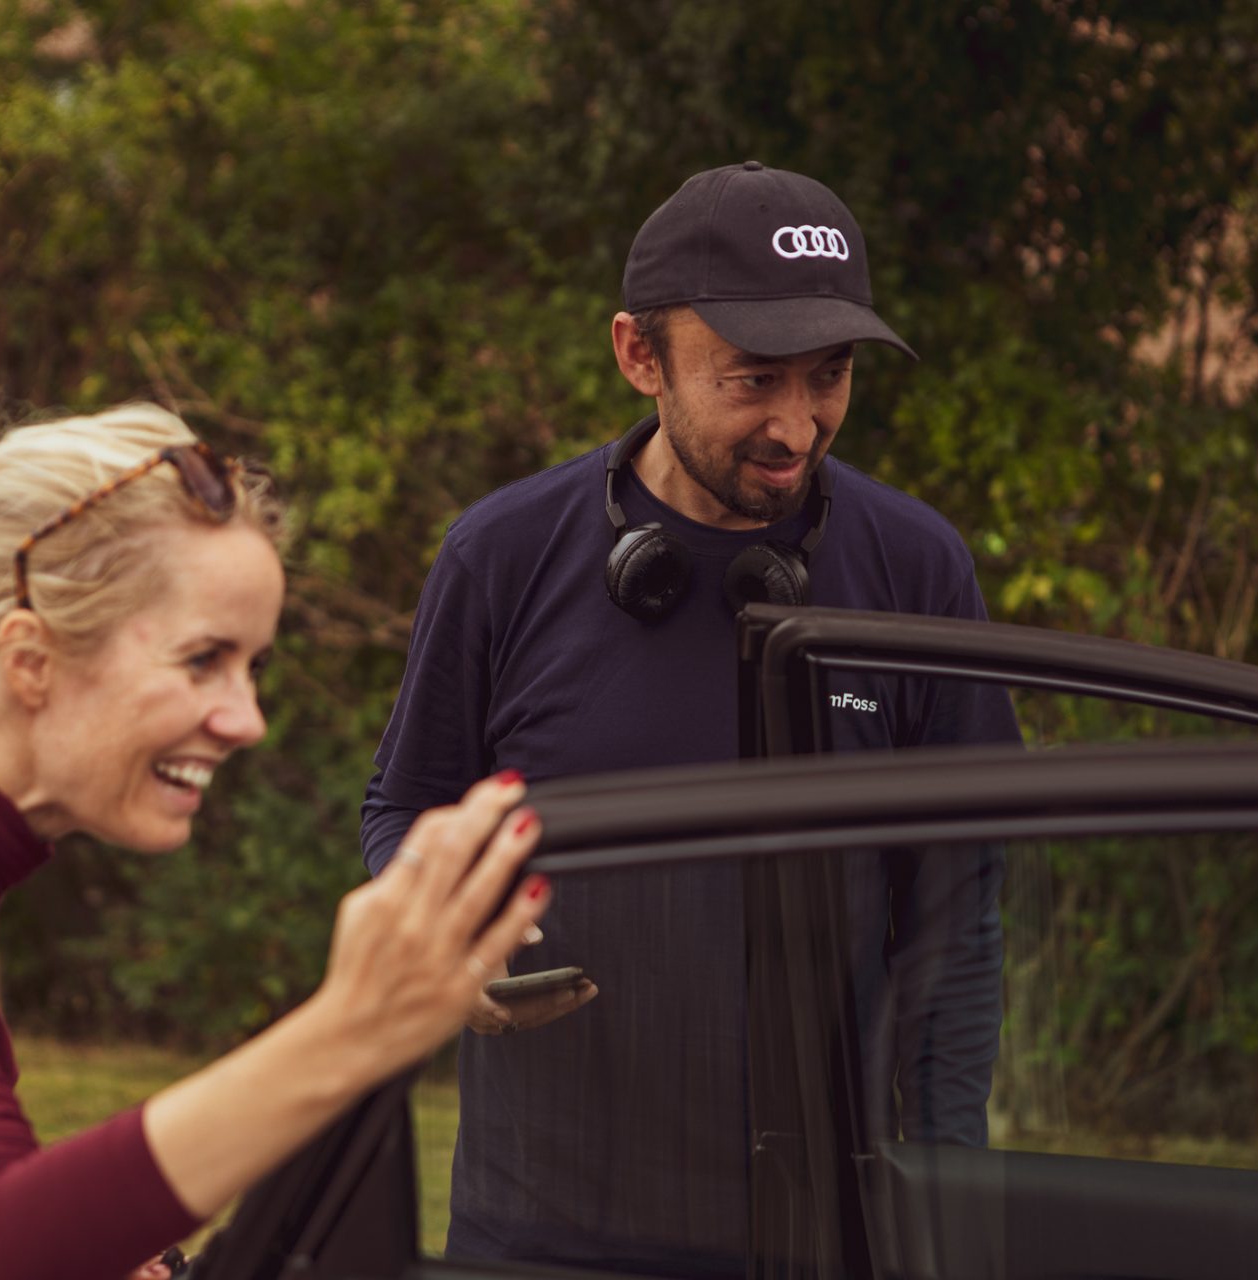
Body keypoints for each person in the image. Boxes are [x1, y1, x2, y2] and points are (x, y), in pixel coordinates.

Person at [0, 400, 553, 1280]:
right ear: (30, 660)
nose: (247, 721)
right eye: (204, 660)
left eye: (252, 667)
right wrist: (351, 1029)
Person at [361, 162, 1021, 1273]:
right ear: (638, 355)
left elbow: (960, 909)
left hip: (821, 1232)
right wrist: (440, 931)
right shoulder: (502, 554)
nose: (797, 424)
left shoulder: (916, 565)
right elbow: (404, 807)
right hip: (539, 1233)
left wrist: (948, 1202)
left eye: (830, 376)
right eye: (754, 378)